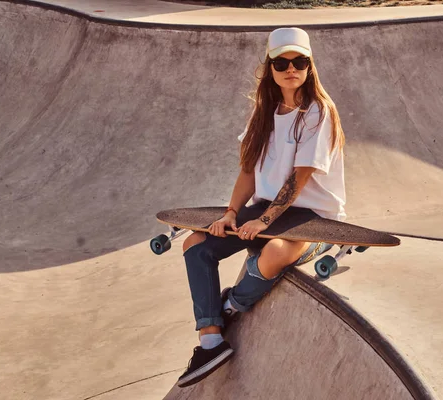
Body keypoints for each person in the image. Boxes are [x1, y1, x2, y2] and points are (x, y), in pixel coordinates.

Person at [177, 27, 346, 387]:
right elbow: (247, 173)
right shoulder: (263, 113)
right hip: (266, 209)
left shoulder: (318, 111)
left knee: (272, 253)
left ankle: (230, 306)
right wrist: (232, 214)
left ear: (309, 66)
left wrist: (264, 220)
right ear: (270, 68)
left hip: (313, 217)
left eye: (299, 61)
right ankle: (210, 340)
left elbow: (300, 178)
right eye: (281, 62)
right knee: (194, 245)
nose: (291, 68)